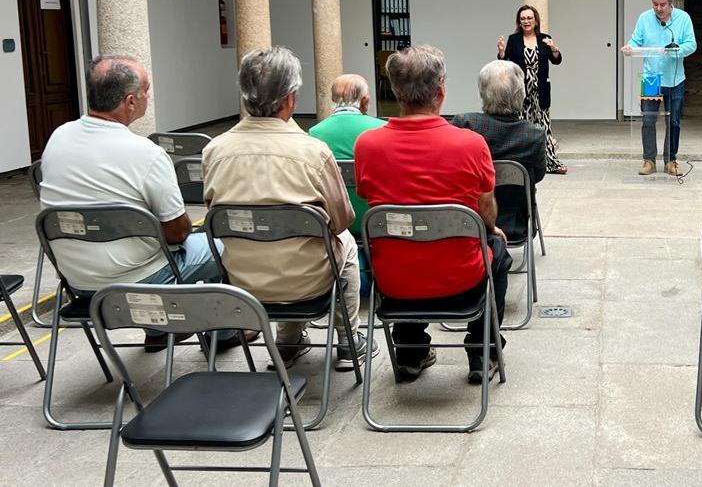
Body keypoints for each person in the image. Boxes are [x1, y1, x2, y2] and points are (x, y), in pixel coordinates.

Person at [39, 55, 237, 351]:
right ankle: (223, 336)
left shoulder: (59, 137)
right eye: (147, 90)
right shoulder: (146, 153)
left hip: (77, 281)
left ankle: (157, 332)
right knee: (223, 247)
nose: (148, 96)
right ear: (131, 102)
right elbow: (177, 232)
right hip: (140, 280)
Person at [203, 47, 377, 371]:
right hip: (307, 281)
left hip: (243, 282)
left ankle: (288, 341)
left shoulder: (214, 150)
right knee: (345, 244)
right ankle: (349, 342)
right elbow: (341, 221)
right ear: (290, 99)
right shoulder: (312, 152)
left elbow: (214, 213)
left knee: (287, 243)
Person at [355, 44, 513, 384]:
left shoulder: (367, 146)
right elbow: (486, 211)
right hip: (461, 281)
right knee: (497, 249)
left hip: (394, 283)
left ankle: (411, 352)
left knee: (403, 237)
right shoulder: (470, 144)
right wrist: (491, 227)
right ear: (440, 90)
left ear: (395, 91)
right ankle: (482, 352)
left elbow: (371, 201)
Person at [452, 60, 547, 241]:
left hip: (469, 221)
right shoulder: (533, 135)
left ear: (482, 92)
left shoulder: (465, 124)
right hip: (515, 223)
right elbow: (538, 175)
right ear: (521, 93)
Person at [621, 0, 697, 176]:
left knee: (674, 122)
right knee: (648, 120)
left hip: (675, 78)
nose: (658, 9)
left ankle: (671, 160)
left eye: (662, 4)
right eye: (655, 4)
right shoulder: (644, 18)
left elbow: (691, 44)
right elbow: (636, 40)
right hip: (650, 77)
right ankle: (649, 160)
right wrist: (629, 47)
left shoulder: (683, 18)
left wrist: (676, 50)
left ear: (670, 3)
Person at [308, 73, 385, 238]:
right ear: (365, 100)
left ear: (333, 99)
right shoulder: (381, 128)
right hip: (374, 219)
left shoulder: (315, 132)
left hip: (334, 224)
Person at [497, 5, 566, 174]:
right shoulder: (514, 40)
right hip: (521, 92)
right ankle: (522, 165)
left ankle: (551, 163)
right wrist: (501, 52)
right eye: (523, 19)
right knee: (522, 127)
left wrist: (554, 48)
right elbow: (505, 62)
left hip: (540, 91)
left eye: (529, 18)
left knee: (544, 128)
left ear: (535, 21)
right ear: (519, 22)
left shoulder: (544, 39)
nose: (526, 21)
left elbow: (556, 61)